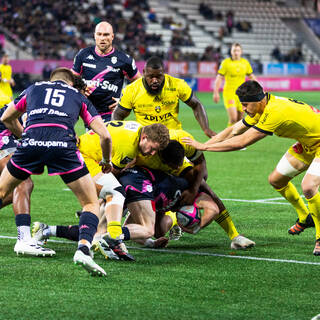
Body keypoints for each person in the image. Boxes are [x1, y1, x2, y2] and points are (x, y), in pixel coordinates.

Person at [183, 80, 320, 256]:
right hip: (308, 142)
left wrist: (205, 147)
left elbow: (242, 142)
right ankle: (304, 217)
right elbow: (233, 130)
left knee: (308, 186)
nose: (244, 109)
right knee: (276, 180)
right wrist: (202, 145)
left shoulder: (274, 112)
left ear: (258, 100)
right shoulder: (263, 106)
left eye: (246, 104)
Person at [0, 67, 113, 276]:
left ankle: (24, 237)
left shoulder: (33, 89)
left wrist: (26, 138)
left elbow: (7, 117)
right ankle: (83, 250)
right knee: (90, 203)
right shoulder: (77, 96)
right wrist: (107, 160)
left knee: (2, 191)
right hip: (63, 146)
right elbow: (105, 136)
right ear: (71, 82)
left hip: (31, 142)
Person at [112, 55, 216, 138]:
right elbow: (117, 115)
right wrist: (119, 136)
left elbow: (196, 104)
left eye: (158, 76)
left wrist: (206, 128)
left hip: (173, 137)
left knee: (199, 160)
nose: (155, 80)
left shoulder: (177, 84)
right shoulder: (131, 90)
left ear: (164, 73)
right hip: (146, 139)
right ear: (144, 73)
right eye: (151, 77)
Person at [71, 21, 141, 122]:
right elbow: (70, 80)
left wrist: (125, 101)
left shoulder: (124, 60)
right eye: (99, 34)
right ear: (94, 36)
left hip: (111, 115)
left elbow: (140, 84)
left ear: (112, 36)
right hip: (88, 113)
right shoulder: (83, 55)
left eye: (106, 35)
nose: (102, 38)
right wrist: (81, 89)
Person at [213, 43, 257, 127]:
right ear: (231, 52)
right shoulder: (225, 63)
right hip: (229, 93)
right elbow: (219, 78)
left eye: (238, 50)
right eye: (234, 50)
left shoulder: (245, 63)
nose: (236, 52)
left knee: (240, 119)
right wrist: (216, 92)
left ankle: (236, 138)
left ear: (241, 52)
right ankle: (228, 138)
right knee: (233, 118)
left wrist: (259, 88)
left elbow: (251, 76)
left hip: (242, 95)